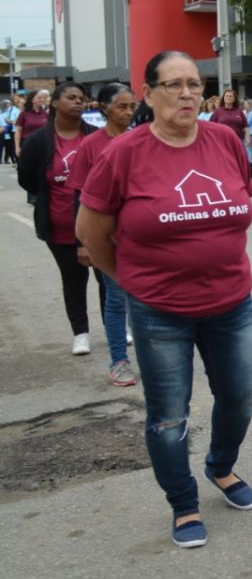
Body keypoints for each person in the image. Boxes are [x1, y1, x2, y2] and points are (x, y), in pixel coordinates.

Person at [76, 50, 252, 549]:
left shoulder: (224, 139)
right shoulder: (125, 153)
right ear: (148, 93)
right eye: (174, 84)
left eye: (195, 84)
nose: (187, 94)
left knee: (239, 398)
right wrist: (131, 281)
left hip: (231, 302)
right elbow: (89, 231)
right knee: (168, 416)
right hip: (160, 312)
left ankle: (220, 467)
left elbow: (240, 203)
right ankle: (183, 502)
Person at [16, 82, 100, 355]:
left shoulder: (95, 137)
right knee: (74, 280)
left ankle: (117, 326)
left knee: (108, 278)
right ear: (55, 103)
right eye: (71, 98)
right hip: (60, 225)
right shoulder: (39, 141)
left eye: (81, 98)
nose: (78, 102)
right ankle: (81, 333)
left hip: (97, 226)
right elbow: (27, 179)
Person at [66, 83, 139, 386]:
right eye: (122, 106)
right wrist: (83, 243)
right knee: (116, 298)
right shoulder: (91, 144)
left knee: (145, 300)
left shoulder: (141, 140)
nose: (128, 112)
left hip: (140, 235)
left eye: (132, 106)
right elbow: (79, 197)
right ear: (105, 108)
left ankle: (152, 360)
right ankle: (118, 362)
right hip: (107, 237)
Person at [210, 88, 249, 156]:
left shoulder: (239, 111)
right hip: (222, 142)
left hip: (238, 141)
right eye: (226, 96)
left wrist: (247, 137)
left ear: (234, 99)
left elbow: (245, 126)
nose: (228, 98)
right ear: (223, 98)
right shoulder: (218, 111)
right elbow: (211, 126)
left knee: (240, 160)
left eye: (231, 96)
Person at [15, 88, 51, 159]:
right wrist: (17, 147)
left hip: (43, 144)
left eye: (42, 98)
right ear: (32, 100)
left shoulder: (45, 114)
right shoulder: (24, 114)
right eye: (39, 98)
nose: (41, 100)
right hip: (28, 144)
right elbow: (18, 131)